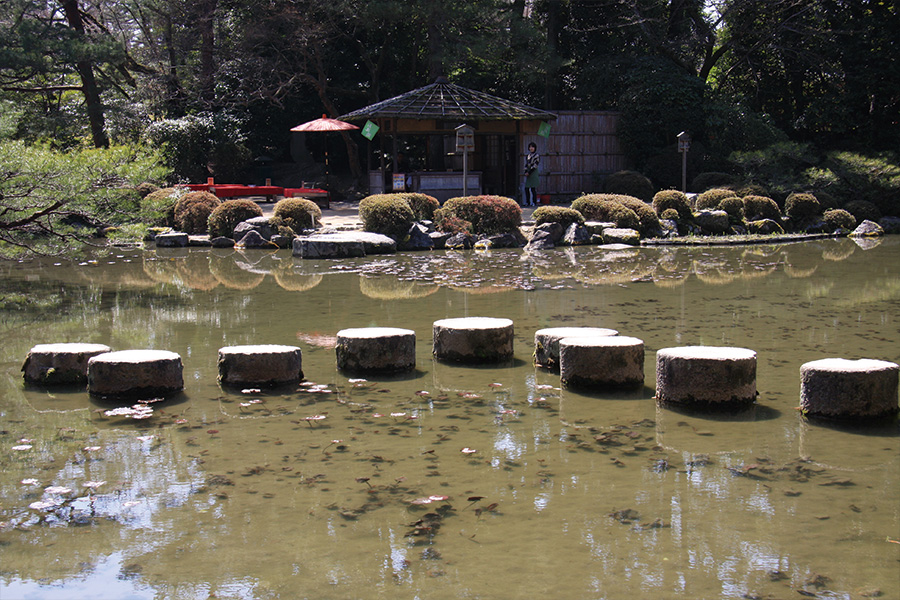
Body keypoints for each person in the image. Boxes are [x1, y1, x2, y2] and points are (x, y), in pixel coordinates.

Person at [524, 142, 540, 206]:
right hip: (528, 171)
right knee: (526, 188)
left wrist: (529, 172)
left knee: (533, 188)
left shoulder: (537, 155)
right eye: (530, 147)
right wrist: (525, 171)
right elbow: (526, 164)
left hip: (533, 172)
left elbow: (535, 165)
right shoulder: (528, 156)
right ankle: (527, 202)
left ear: (535, 148)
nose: (531, 148)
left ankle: (534, 202)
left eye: (532, 147)